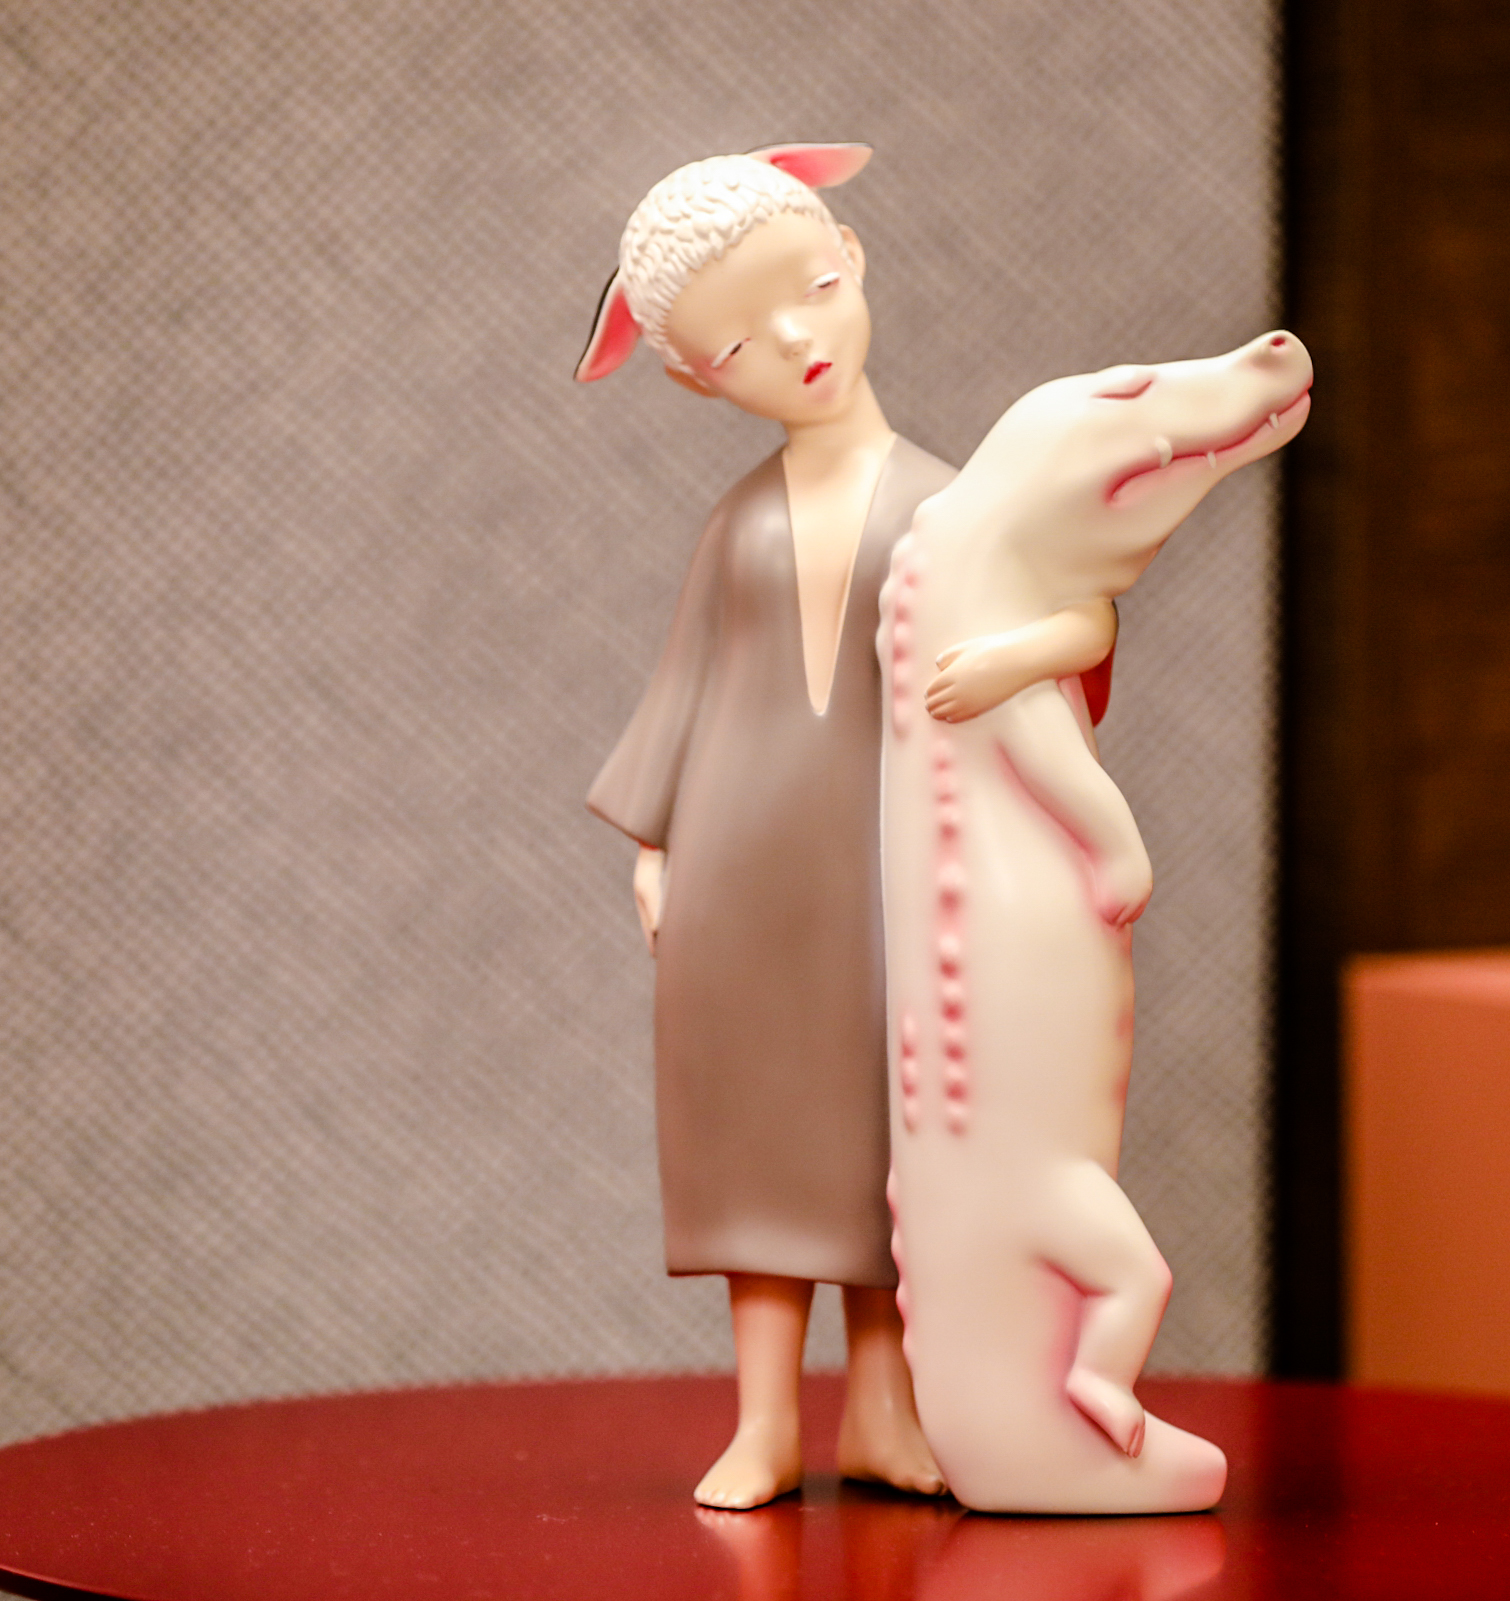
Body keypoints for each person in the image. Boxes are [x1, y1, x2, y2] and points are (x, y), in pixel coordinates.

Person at [576, 145, 1116, 1509]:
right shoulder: (737, 526)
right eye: (738, 343)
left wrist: (1015, 659)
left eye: (812, 289)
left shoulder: (952, 503)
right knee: (757, 1137)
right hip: (740, 862)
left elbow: (1080, 616)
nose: (793, 342)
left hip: (896, 863)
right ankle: (765, 1419)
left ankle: (883, 1404)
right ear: (694, 378)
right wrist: (652, 843)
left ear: (855, 257)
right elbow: (685, 682)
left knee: (890, 1139)